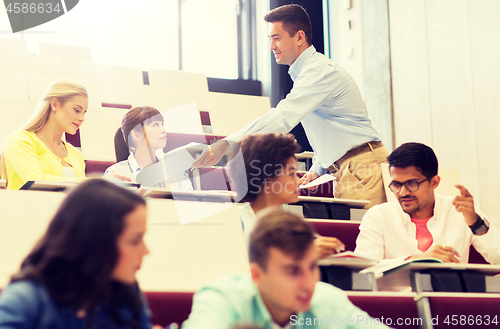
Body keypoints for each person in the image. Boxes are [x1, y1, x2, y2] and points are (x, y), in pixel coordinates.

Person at [193, 4, 389, 208]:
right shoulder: (308, 73)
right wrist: (318, 167)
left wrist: (227, 144)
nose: (271, 46)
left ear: (299, 37)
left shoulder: (319, 72)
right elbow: (333, 128)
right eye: (270, 39)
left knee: (365, 236)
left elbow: (282, 118)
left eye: (276, 38)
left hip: (362, 167)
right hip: (350, 167)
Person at [182, 210, 389, 329]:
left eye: (312, 267)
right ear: (257, 275)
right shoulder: (223, 299)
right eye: (292, 271)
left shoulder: (328, 301)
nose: (308, 283)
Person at [0, 179, 162, 328]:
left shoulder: (126, 293)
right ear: (96, 243)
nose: (146, 251)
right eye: (135, 241)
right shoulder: (26, 299)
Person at [354, 142, 500, 264]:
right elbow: (365, 268)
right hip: (397, 298)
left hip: (448, 297)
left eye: (412, 183)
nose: (403, 193)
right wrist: (416, 260)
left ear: (434, 182)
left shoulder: (460, 211)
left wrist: (475, 224)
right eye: (396, 185)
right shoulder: (378, 215)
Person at [227, 132, 344, 258]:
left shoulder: (294, 226)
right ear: (267, 179)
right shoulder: (235, 222)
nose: (299, 181)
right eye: (292, 174)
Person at [1, 79, 88, 190]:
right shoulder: (20, 140)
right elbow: (35, 180)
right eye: (77, 110)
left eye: (84, 113)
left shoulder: (76, 154)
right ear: (55, 105)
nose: (82, 119)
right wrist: (91, 182)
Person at [104, 106, 192, 190]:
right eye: (156, 124)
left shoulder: (177, 172)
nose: (163, 130)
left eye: (162, 124)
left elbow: (190, 204)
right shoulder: (116, 173)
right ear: (137, 135)